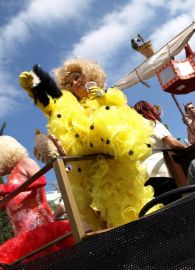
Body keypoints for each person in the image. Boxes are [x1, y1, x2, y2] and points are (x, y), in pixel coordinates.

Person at [19, 59, 159, 230]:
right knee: (105, 219)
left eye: (77, 77)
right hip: (89, 171)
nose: (75, 83)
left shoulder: (107, 97)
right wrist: (34, 87)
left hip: (115, 165)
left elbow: (123, 115)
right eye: (70, 83)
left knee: (128, 207)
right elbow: (51, 106)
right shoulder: (72, 107)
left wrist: (104, 97)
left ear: (90, 75)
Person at [0, 136, 73, 264]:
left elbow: (41, 180)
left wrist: (7, 189)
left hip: (42, 233)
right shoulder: (9, 179)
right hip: (24, 242)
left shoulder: (25, 163)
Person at [134, 100, 186, 204]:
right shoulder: (152, 124)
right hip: (161, 172)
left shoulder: (134, 131)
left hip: (143, 177)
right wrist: (186, 146)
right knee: (178, 204)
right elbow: (173, 143)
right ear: (150, 110)